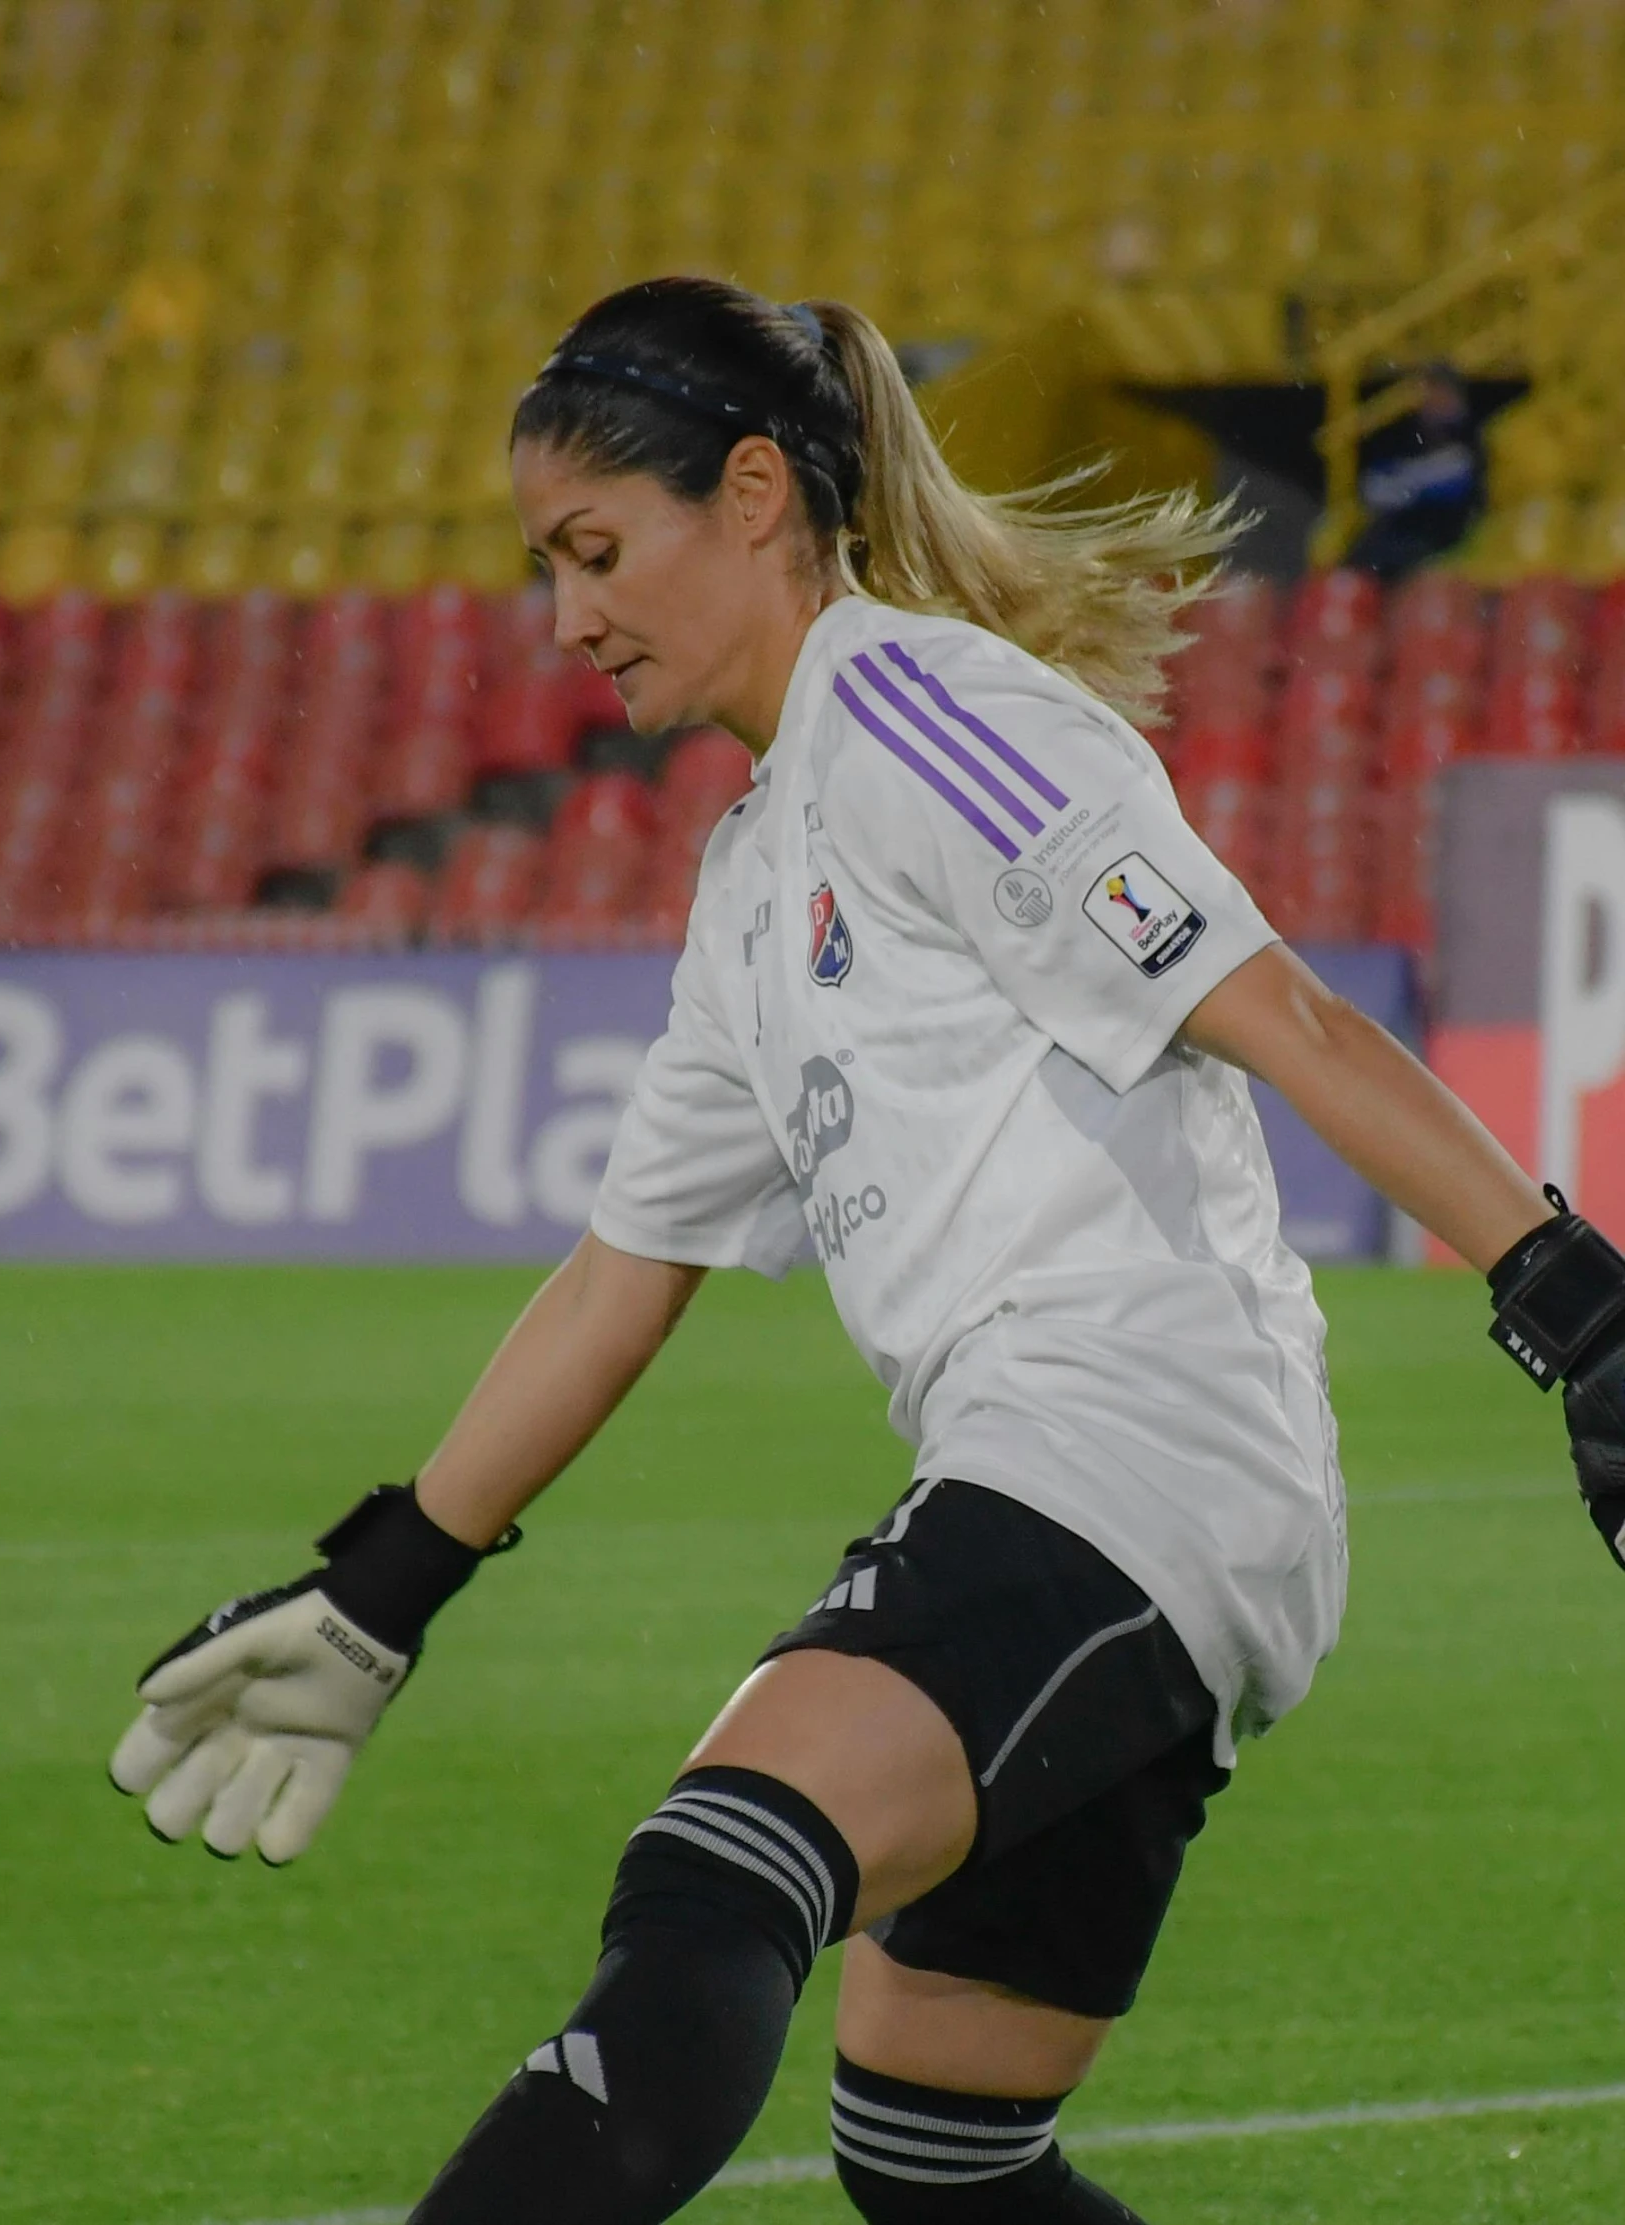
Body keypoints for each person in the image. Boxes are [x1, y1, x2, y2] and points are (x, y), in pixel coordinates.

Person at [108, 279, 1625, 2225]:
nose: (564, 615)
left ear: (755, 493)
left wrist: (1571, 1297)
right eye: (542, 567)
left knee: (714, 1874)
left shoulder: (925, 713)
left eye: (596, 549)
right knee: (937, 2154)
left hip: (1132, 1450)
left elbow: (1282, 1012)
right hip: (1102, 1494)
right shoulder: (755, 878)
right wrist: (384, 1583)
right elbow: (618, 1273)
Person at [1344, 364, 1484, 581]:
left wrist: (1404, 487)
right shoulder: (1410, 438)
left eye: (1437, 394)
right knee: (1359, 554)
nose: (1427, 403)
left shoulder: (1467, 438)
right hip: (1405, 527)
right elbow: (1374, 485)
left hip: (1443, 533)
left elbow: (1454, 487)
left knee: (1387, 560)